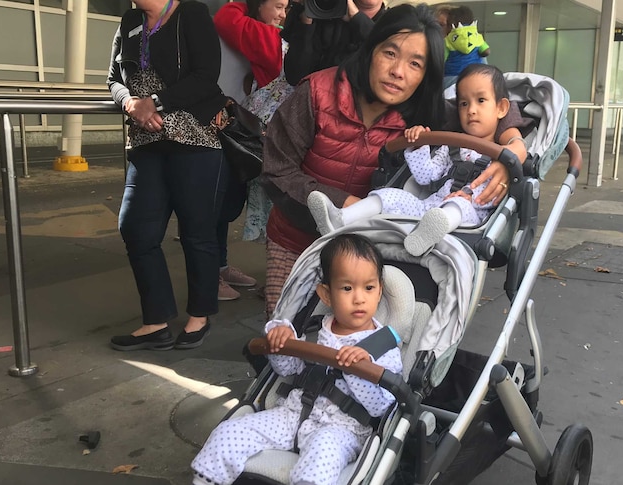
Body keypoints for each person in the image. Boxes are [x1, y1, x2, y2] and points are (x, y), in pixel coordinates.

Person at [256, 3, 447, 317]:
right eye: (390, 53)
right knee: (283, 335)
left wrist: (510, 150)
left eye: (416, 63)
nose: (398, 71)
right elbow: (277, 170)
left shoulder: (422, 116)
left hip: (364, 256)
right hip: (294, 239)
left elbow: (483, 113)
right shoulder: (317, 92)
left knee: (345, 349)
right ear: (371, 50)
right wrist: (344, 203)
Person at [190, 233, 403, 485]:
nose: (359, 298)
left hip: (342, 429)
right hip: (292, 414)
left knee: (321, 456)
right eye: (347, 288)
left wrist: (359, 370)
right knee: (230, 431)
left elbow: (383, 407)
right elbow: (288, 368)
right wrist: (280, 341)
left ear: (379, 291)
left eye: (369, 288)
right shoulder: (315, 329)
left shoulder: (381, 345)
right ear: (326, 294)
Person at [107, 0, 227, 351]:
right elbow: (113, 79)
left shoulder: (192, 13)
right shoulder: (130, 20)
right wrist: (129, 102)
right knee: (135, 228)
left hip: (192, 137)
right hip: (146, 140)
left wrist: (155, 102)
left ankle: (200, 316)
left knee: (197, 231)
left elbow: (207, 76)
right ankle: (156, 320)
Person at [308, 64, 526, 256]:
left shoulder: (502, 155)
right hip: (431, 208)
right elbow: (426, 177)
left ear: (501, 108)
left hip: (469, 213)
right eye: (463, 104)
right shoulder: (451, 147)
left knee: (456, 204)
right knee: (391, 195)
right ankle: (341, 219)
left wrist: (468, 194)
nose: (471, 110)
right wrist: (419, 145)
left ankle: (426, 235)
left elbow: (495, 192)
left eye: (480, 100)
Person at [213, 0, 289, 300]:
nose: (283, 14)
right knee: (225, 203)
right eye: (278, 6)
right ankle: (217, 268)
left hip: (255, 139)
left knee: (224, 204)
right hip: (256, 139)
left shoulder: (271, 40)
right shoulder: (281, 40)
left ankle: (220, 270)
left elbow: (226, 18)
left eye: (287, 8)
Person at [281, 0, 387, 86]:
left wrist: (357, 18)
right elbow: (295, 76)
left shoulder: (394, 26)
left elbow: (384, 48)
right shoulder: (322, 11)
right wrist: (307, 17)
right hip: (306, 98)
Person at [442, 6, 489, 88]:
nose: (442, 29)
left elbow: (439, 62)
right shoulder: (477, 39)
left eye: (443, 25)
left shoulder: (447, 42)